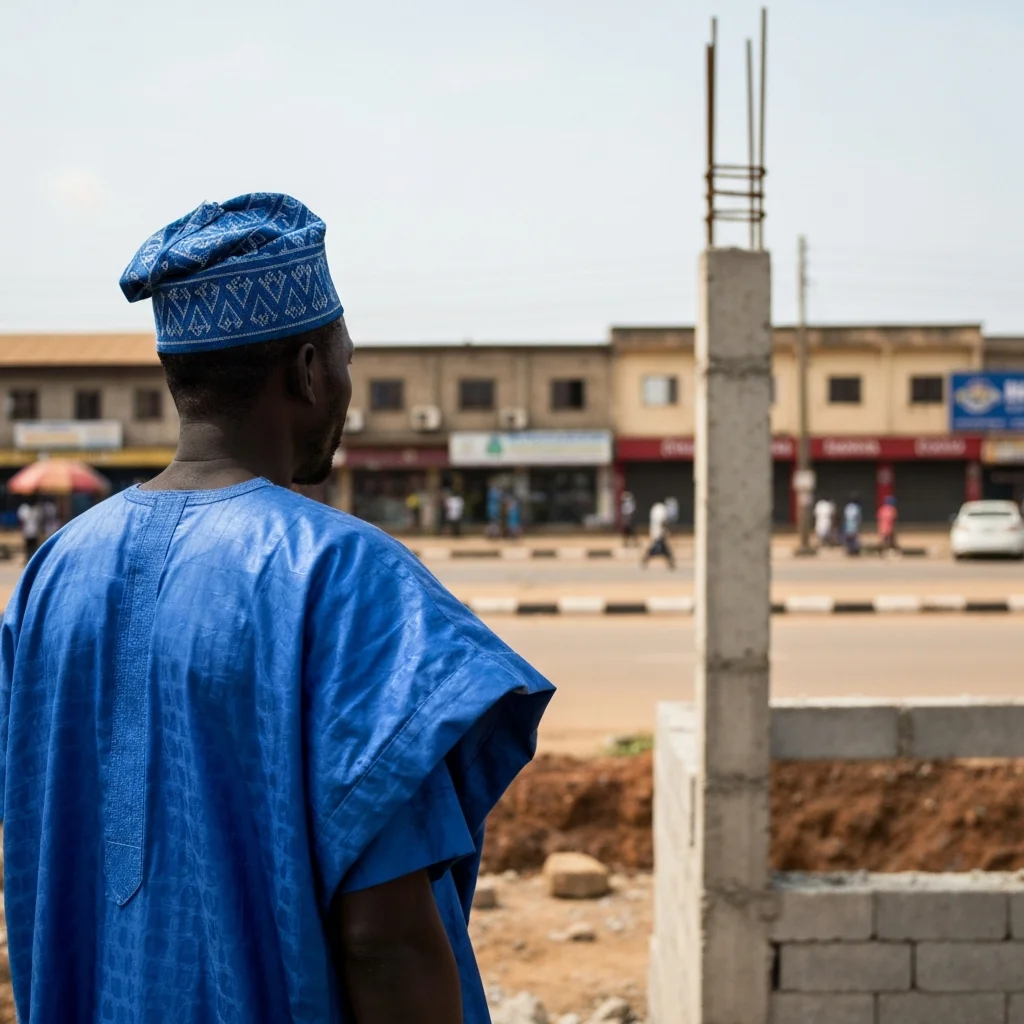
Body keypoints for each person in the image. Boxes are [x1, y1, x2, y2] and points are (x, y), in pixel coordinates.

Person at [0, 193, 554, 1024]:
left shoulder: (52, 573)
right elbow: (384, 940)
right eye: (345, 359)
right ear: (307, 370)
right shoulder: (345, 574)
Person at [642, 497, 676, 570]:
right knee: (660, 549)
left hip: (655, 531)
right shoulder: (661, 509)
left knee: (662, 549)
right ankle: (645, 560)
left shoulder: (655, 508)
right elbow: (663, 522)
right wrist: (666, 530)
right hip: (660, 532)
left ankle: (645, 560)